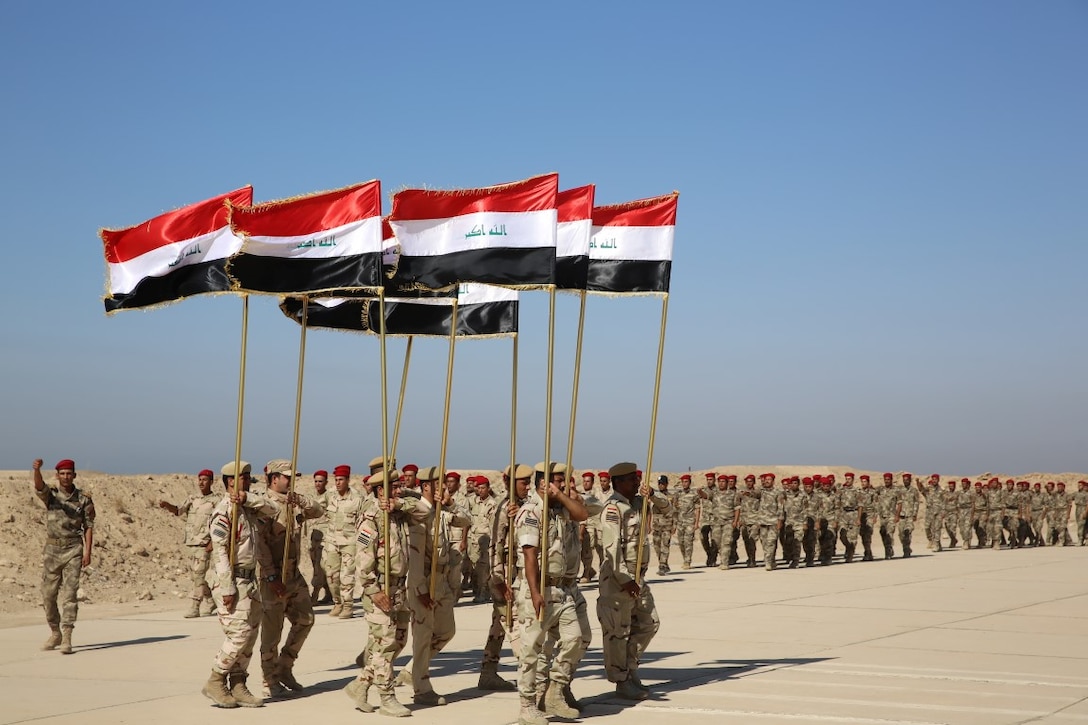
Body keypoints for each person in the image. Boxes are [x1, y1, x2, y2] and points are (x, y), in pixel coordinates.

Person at [343, 468, 427, 717]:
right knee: (385, 644)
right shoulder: (371, 518)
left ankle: (361, 684)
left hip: (399, 587)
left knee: (398, 641)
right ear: (381, 490)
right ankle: (387, 697)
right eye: (395, 487)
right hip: (380, 588)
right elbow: (362, 558)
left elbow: (426, 511)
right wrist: (373, 590)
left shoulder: (398, 512)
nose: (400, 489)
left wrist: (398, 503)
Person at [514, 462, 590, 724]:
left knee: (575, 639)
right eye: (558, 481)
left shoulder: (560, 508)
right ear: (542, 483)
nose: (563, 485)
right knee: (530, 650)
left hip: (562, 589)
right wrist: (535, 593)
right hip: (539, 588)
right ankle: (527, 705)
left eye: (564, 481)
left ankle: (554, 691)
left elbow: (583, 514)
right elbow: (529, 555)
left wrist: (560, 495)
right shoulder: (531, 511)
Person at [203, 460, 279, 708]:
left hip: (250, 579)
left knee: (251, 634)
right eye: (241, 478)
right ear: (230, 481)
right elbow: (220, 553)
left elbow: (273, 509)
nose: (246, 482)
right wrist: (227, 588)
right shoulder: (223, 512)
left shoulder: (247, 507)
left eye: (247, 478)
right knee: (239, 633)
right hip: (231, 579)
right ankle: (215, 680)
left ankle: (238, 683)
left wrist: (248, 499)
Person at [597, 461, 671, 701]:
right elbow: (611, 550)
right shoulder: (613, 509)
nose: (636, 482)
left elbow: (668, 508)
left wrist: (654, 494)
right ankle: (621, 680)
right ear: (618, 482)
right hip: (618, 581)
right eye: (631, 479)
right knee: (618, 633)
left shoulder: (639, 503)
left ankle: (630, 668)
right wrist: (625, 580)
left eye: (637, 478)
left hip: (638, 578)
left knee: (649, 623)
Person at [404, 466, 471, 706]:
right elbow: (414, 557)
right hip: (424, 581)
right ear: (425, 487)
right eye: (437, 484)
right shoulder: (418, 513)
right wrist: (420, 589)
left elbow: (466, 520)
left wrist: (450, 503)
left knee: (446, 631)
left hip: (442, 580)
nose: (443, 488)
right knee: (422, 636)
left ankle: (412, 668)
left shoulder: (441, 510)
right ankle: (421, 688)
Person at [257, 460, 325, 698]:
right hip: (273, 579)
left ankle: (285, 667)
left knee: (306, 620)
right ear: (274, 478)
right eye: (287, 477)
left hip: (293, 576)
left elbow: (318, 511)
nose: (291, 481)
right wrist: (271, 575)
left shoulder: (292, 503)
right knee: (272, 633)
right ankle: (269, 680)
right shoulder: (264, 505)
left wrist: (301, 501)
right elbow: (260, 545)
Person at [478, 463, 533, 691]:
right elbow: (495, 547)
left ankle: (488, 672)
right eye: (523, 483)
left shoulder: (523, 506)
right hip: (505, 577)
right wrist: (499, 581)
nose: (527, 487)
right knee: (513, 625)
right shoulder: (503, 509)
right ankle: (531, 676)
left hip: (517, 574)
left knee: (498, 627)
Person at [33, 458, 95, 655]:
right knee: (48, 595)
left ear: (74, 475)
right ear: (57, 476)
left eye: (69, 473)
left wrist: (88, 551)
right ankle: (55, 632)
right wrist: (37, 470)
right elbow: (39, 486)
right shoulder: (51, 495)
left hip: (73, 549)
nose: (66, 477)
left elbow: (88, 526)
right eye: (62, 474)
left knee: (69, 595)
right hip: (52, 551)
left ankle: (67, 635)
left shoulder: (84, 499)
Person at [159, 468, 219, 618]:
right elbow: (178, 511)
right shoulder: (193, 499)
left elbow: (219, 523)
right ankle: (211, 600)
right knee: (196, 576)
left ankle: (195, 607)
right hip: (191, 544)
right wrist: (167, 505)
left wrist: (213, 542)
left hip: (204, 544)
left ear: (211, 482)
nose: (201, 482)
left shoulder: (216, 501)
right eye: (200, 479)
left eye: (205, 480)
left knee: (198, 575)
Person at [325, 464, 364, 618]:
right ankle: (337, 603)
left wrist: (362, 545)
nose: (338, 483)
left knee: (346, 577)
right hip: (332, 541)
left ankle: (348, 606)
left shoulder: (357, 499)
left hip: (350, 543)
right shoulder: (330, 496)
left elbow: (363, 523)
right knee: (331, 575)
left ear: (348, 480)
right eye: (336, 480)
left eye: (341, 480)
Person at [468, 475, 500, 603]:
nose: (480, 490)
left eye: (483, 488)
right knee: (475, 568)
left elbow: (493, 525)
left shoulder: (492, 504)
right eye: (479, 488)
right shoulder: (475, 502)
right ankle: (479, 592)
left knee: (484, 569)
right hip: (474, 539)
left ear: (488, 488)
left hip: (486, 539)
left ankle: (483, 593)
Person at [307, 469, 333, 604]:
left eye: (320, 481)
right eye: (316, 481)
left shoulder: (329, 497)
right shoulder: (311, 496)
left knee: (320, 565)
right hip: (313, 535)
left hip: (324, 536)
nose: (318, 484)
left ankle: (315, 594)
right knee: (316, 565)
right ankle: (329, 593)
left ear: (326, 482)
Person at [672, 474, 700, 569]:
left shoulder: (694, 494)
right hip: (680, 522)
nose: (684, 484)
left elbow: (697, 509)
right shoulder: (678, 494)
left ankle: (687, 561)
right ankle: (685, 558)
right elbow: (675, 510)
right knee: (681, 542)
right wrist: (674, 524)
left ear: (689, 483)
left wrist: (696, 523)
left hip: (690, 521)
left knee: (688, 542)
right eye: (683, 482)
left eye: (686, 482)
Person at [650, 474, 676, 575]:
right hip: (656, 525)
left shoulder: (671, 497)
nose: (661, 486)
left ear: (666, 484)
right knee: (656, 546)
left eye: (663, 484)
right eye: (659, 484)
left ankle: (662, 565)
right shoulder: (654, 496)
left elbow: (675, 511)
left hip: (667, 525)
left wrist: (674, 525)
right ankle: (663, 563)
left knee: (665, 545)